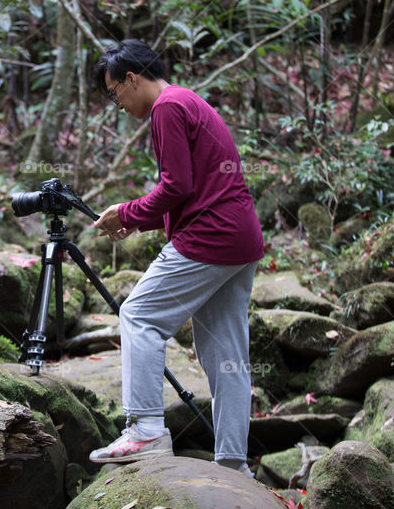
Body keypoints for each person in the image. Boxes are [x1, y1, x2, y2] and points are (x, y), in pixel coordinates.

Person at [87, 39, 264, 476]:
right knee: (227, 356)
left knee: (138, 315)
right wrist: (141, 222)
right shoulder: (188, 100)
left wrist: (126, 211)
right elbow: (196, 186)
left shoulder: (166, 107)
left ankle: (145, 428)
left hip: (210, 237)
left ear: (131, 78)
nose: (118, 104)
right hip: (240, 240)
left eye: (114, 93)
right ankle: (233, 464)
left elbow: (178, 187)